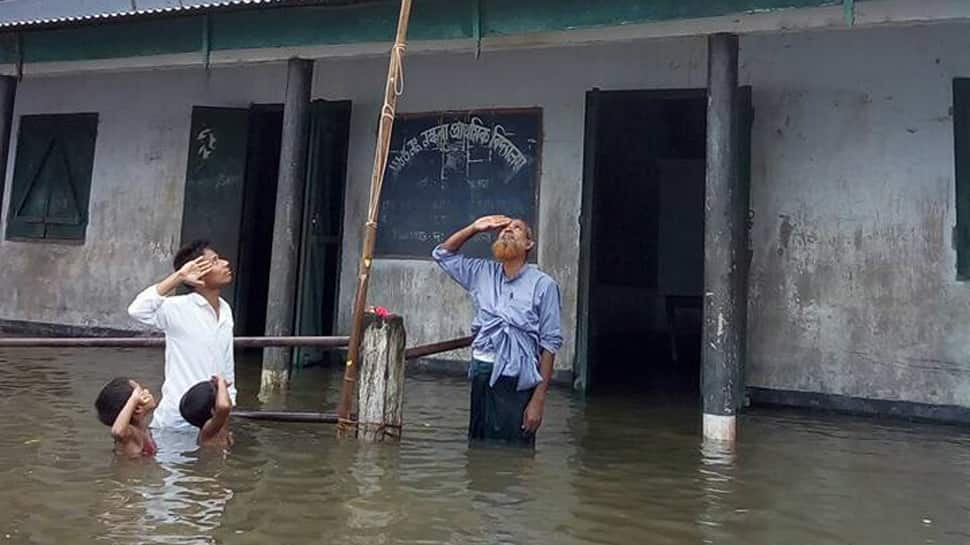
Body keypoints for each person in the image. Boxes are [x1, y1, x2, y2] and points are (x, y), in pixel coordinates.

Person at [432, 215, 563, 447]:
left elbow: (550, 344)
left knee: (512, 453)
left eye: (517, 228)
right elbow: (442, 254)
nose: (508, 231)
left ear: (528, 244)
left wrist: (538, 401)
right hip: (482, 372)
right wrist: (474, 228)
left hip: (517, 379)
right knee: (478, 447)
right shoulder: (481, 272)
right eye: (504, 229)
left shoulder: (544, 285)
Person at [127, 239, 237, 429]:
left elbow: (226, 362)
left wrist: (228, 402)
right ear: (198, 272)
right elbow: (137, 310)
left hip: (213, 415)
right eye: (215, 260)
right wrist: (179, 276)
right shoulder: (177, 308)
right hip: (177, 417)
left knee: (211, 457)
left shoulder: (225, 310)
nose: (225, 263)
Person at [94, 377, 158, 457]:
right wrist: (134, 398)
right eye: (142, 392)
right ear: (138, 408)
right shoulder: (130, 434)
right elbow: (117, 432)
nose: (147, 391)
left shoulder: (143, 428)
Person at [179, 375, 233, 448]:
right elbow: (223, 407)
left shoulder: (217, 427)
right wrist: (221, 382)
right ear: (213, 411)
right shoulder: (209, 431)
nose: (225, 394)